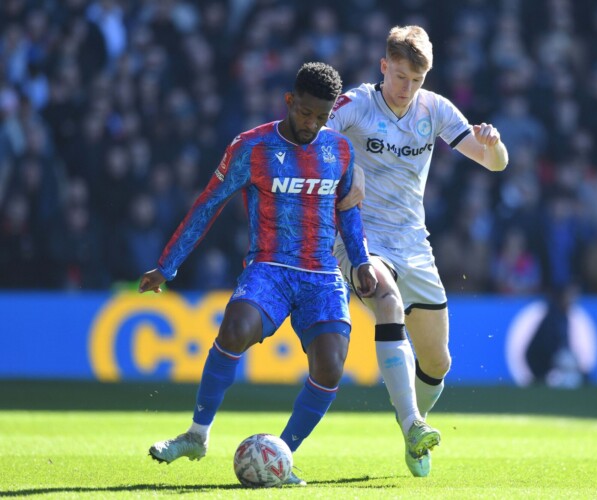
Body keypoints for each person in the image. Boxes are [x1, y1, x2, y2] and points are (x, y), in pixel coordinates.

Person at [138, 62, 378, 486]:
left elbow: (348, 212)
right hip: (269, 267)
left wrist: (360, 262)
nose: (312, 123)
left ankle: (281, 458)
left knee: (330, 367)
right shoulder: (252, 147)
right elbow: (209, 203)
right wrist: (168, 265)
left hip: (322, 276)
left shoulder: (339, 149)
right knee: (234, 329)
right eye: (305, 112)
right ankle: (197, 435)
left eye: (322, 117)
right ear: (289, 100)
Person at [330, 25, 509, 476]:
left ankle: (414, 428)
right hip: (361, 237)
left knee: (438, 361)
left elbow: (495, 164)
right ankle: (412, 424)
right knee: (387, 303)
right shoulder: (354, 106)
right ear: (384, 65)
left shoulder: (435, 109)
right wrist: (341, 177)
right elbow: (310, 138)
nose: (407, 88)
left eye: (417, 80)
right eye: (400, 76)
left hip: (414, 243)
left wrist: (494, 145)